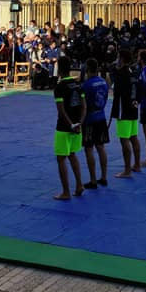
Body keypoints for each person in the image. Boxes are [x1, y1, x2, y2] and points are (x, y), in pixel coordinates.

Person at [53, 56, 86, 200]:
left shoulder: (60, 87)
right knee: (72, 155)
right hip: (78, 125)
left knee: (61, 158)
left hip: (64, 127)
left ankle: (66, 191)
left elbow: (61, 110)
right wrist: (80, 123)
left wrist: (71, 125)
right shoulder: (78, 85)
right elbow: (84, 106)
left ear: (59, 69)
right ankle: (79, 184)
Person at [110, 49, 142, 177]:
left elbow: (117, 90)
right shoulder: (133, 72)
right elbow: (138, 88)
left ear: (122, 59)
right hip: (133, 107)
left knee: (124, 140)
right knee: (133, 137)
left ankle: (127, 169)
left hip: (123, 109)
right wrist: (137, 101)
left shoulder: (121, 73)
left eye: (118, 57)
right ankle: (137, 164)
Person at [81, 58, 109, 189]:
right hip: (101, 117)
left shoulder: (86, 85)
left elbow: (84, 105)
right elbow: (106, 98)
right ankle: (103, 177)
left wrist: (80, 121)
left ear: (87, 69)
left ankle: (93, 179)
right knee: (101, 147)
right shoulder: (104, 82)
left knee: (89, 149)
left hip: (89, 119)